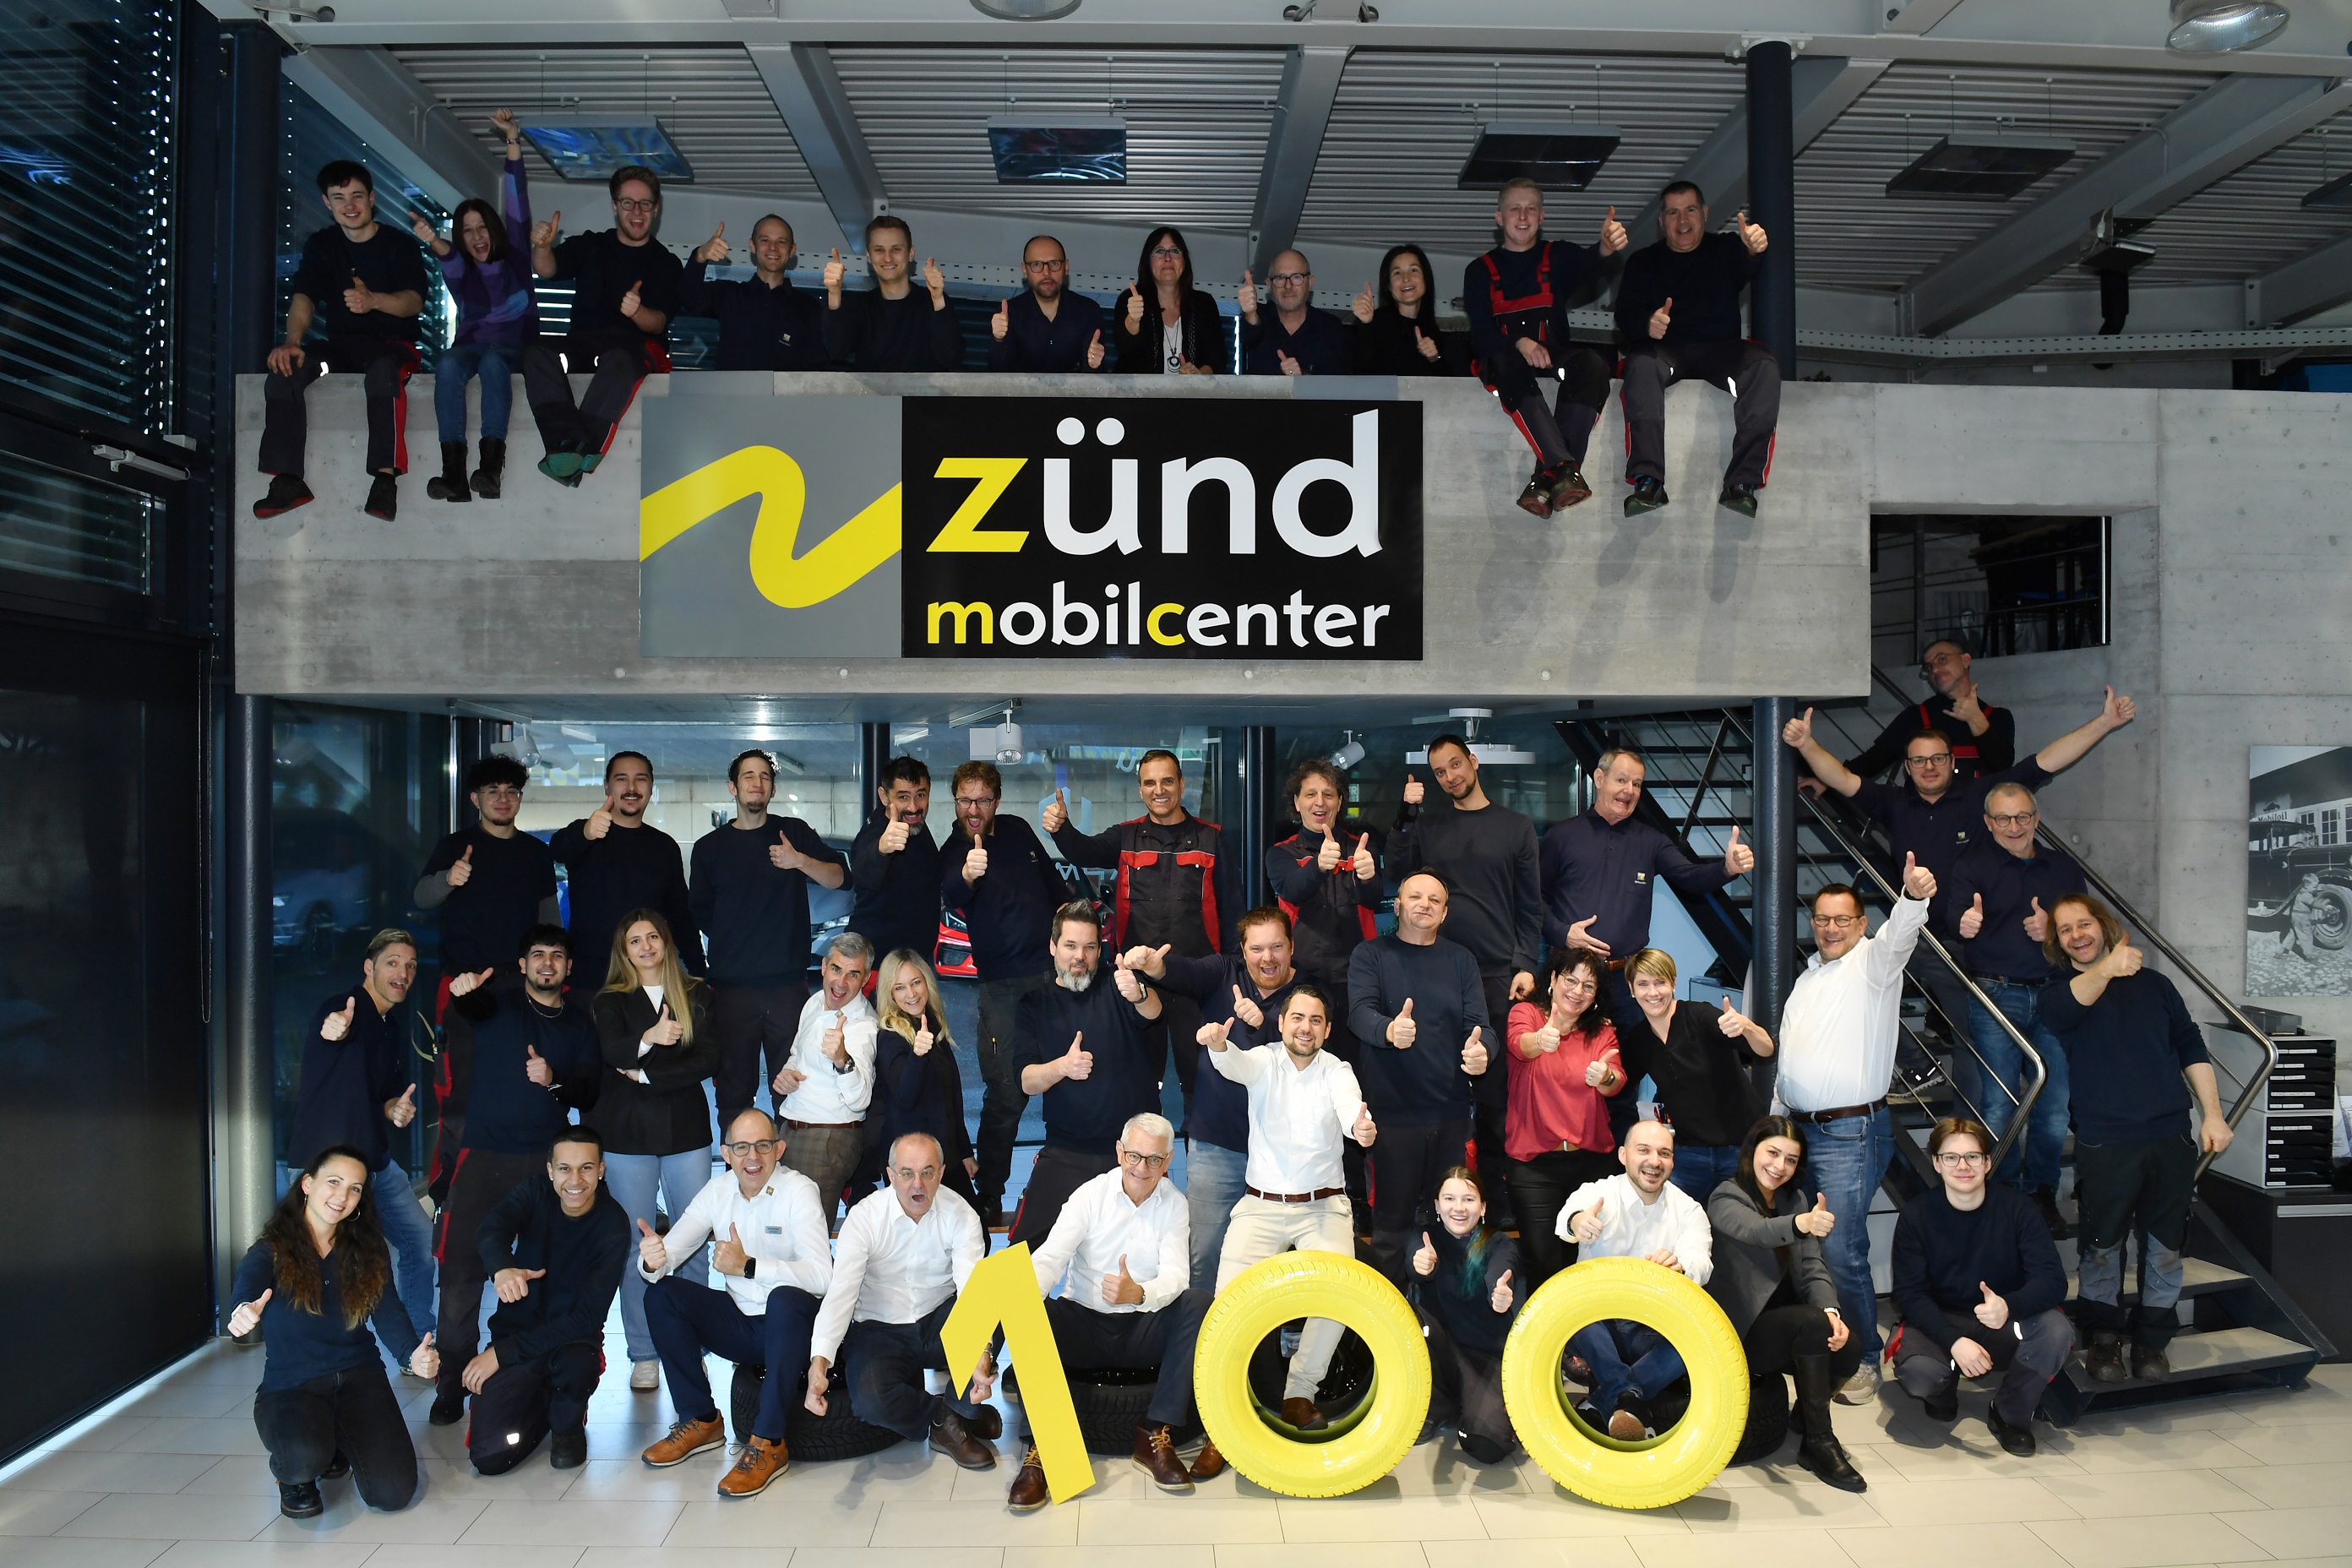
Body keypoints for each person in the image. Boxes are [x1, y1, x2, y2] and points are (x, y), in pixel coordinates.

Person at [2040, 895, 2234, 1383]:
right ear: (2058, 943)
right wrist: (2109, 967)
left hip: (2170, 1135)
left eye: (2084, 924)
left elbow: (2191, 1047)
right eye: (2065, 930)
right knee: (2102, 1247)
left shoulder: (2156, 986)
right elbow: (2073, 1004)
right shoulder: (2059, 993)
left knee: (2166, 1247)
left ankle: (2151, 1341)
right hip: (2105, 1140)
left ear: (2103, 926)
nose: (2077, 935)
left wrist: (2213, 1115)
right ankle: (2104, 1341)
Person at [1773, 855, 1939, 1406]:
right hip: (1798, 1132)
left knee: (1841, 1248)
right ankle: (1828, 1346)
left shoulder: (1874, 964)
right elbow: (1788, 1063)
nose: (1830, 928)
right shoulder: (1807, 979)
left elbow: (1900, 937)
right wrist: (1776, 1123)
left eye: (1842, 919)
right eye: (1822, 918)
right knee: (1808, 1247)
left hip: (1850, 1134)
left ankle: (1866, 1359)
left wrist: (1912, 898)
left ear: (1862, 924)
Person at [427, 927, 601, 1429]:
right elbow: (471, 1006)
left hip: (545, 1167)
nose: (547, 964)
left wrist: (554, 1080)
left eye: (557, 956)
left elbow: (588, 1091)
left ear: (569, 968)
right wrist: (463, 991)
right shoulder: (498, 1004)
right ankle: (451, 1383)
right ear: (522, 964)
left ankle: (524, 1377)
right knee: (460, 1276)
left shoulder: (578, 1023)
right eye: (538, 955)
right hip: (483, 1158)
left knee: (543, 1278)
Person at [1009, 1112, 1216, 1506]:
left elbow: (1177, 1277)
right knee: (1028, 1303)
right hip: (1085, 1325)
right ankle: (1043, 1450)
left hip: (1142, 1328)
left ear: (1168, 1161)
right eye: (1134, 1156)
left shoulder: (1175, 1204)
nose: (1142, 1168)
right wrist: (1021, 1303)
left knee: (1198, 1302)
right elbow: (1050, 1260)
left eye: (1154, 1159)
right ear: (1120, 1152)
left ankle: (1154, 1432)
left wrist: (1138, 1293)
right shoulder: (1089, 1195)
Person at [227, 1146, 439, 1519]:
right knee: (303, 1458)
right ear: (307, 1184)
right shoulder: (271, 1249)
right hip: (293, 1385)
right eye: (334, 1182)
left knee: (392, 1494)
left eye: (355, 1188)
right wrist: (242, 1310)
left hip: (359, 1377)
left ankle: (335, 1441)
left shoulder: (367, 1250)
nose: (342, 1195)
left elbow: (388, 1313)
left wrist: (412, 1355)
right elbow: (248, 1285)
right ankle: (295, 1476)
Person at [1203, 986, 1380, 1431]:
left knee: (1338, 1294)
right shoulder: (1263, 1060)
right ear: (1281, 1023)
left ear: (1327, 1029)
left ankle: (1300, 1393)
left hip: (1324, 1208)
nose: (1306, 1028)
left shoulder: (1337, 1070)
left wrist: (1360, 1129)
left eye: (1315, 1020)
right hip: (1260, 1206)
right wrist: (1219, 1045)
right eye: (1297, 1018)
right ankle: (1224, 1415)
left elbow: (1350, 1112)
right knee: (1226, 1307)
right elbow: (1234, 1064)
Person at [1782, 684, 2135, 901]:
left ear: (1952, 762)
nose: (1929, 766)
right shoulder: (1891, 803)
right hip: (1920, 937)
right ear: (1907, 767)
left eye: (1938, 758)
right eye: (1918, 760)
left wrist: (2104, 723)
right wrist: (1807, 745)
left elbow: (2044, 762)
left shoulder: (1980, 794)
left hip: (1981, 932)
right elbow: (1842, 778)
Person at [638, 1108, 832, 1497]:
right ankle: (701, 1419)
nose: (752, 1157)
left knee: (784, 1299)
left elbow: (823, 1276)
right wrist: (652, 1260)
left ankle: (769, 1443)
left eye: (763, 1146)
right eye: (741, 1147)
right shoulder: (718, 1191)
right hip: (743, 1326)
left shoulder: (800, 1191)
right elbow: (669, 1253)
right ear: (726, 1154)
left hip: (795, 1328)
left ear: (779, 1149)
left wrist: (749, 1267)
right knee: (661, 1295)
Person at [1120, 906, 1312, 1287]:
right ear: (1243, 950)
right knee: (1204, 1254)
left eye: (1277, 947)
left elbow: (1311, 1055)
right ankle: (1201, 1325)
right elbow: (1186, 972)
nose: (1267, 958)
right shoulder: (1224, 972)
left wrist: (1264, 1025)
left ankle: (1276, 1326)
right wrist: (1156, 967)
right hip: (1217, 1145)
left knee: (1281, 1262)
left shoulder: (1310, 994)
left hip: (1285, 1152)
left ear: (1291, 947)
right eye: (1256, 949)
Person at [1044, 749, 1240, 1116]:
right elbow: (1085, 851)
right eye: (1150, 783)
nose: (1159, 790)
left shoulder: (1212, 839)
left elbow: (1232, 911)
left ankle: (1198, 1150)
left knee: (1202, 1080)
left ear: (1181, 784)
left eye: (1167, 781)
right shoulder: (1126, 836)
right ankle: (1139, 1150)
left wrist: (1232, 973)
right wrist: (1061, 829)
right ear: (1140, 789)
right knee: (1139, 1081)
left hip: (1197, 980)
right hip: (1138, 985)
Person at [1387, 734, 1542, 1193]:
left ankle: (1494, 1196)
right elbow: (1396, 872)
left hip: (1497, 974)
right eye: (1440, 772)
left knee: (1495, 1092)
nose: (1450, 776)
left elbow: (1530, 905)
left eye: (1455, 764)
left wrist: (1524, 963)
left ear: (1473, 762)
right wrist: (1406, 813)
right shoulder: (1429, 826)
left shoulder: (1516, 827)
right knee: (1433, 1083)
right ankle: (1433, 1194)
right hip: (1436, 971)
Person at [286, 929, 437, 1363]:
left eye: (410, 965)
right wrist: (333, 1029)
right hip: (328, 1168)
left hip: (375, 1162)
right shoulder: (343, 1008)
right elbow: (331, 1030)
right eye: (392, 962)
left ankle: (420, 1345)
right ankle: (319, 1355)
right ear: (369, 968)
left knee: (418, 1243)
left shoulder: (391, 1027)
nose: (403, 972)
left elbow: (384, 1096)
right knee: (322, 1263)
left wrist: (395, 1110)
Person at [805, 1132, 998, 1468]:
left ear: (941, 1173)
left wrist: (980, 1354)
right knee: (870, 1402)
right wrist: (819, 1363)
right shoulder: (865, 1217)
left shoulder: (961, 1214)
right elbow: (841, 1292)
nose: (917, 1184)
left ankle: (958, 1413)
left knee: (1002, 1295)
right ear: (891, 1175)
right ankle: (948, 1418)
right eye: (907, 1173)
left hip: (939, 1320)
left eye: (927, 1172)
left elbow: (972, 1290)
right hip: (880, 1327)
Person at [253, 160, 430, 524]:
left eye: (357, 196)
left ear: (372, 198)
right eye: (339, 198)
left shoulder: (400, 245)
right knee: (287, 369)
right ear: (327, 202)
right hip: (341, 347)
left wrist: (374, 301)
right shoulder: (322, 245)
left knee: (383, 371)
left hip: (393, 346)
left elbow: (413, 302)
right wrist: (292, 341)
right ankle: (288, 480)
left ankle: (385, 480)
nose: (350, 205)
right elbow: (304, 298)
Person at [1542, 745, 1755, 1046]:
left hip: (1625, 980)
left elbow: (1690, 878)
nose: (1629, 791)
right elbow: (1532, 899)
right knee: (1561, 1060)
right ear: (1599, 778)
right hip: (1570, 976)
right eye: (1621, 780)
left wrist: (1727, 868)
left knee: (1629, 1063)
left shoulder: (1651, 841)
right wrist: (1563, 933)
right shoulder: (1562, 836)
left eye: (1637, 784)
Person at [1889, 1117, 2073, 1456]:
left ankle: (2009, 1413)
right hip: (1941, 1319)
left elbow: (2052, 1280)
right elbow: (1909, 1294)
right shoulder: (1917, 1215)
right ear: (1937, 1163)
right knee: (1920, 1375)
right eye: (1951, 1157)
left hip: (2001, 1318)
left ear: (1987, 1163)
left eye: (1973, 1156)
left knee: (2056, 1331)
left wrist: (2010, 1305)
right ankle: (1942, 1389)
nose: (1963, 1166)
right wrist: (1954, 1342)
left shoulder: (2018, 1208)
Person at [1947, 782, 2087, 1226]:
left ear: (2036, 819)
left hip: (2054, 994)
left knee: (2056, 1102)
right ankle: (2004, 1192)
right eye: (2004, 819)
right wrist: (1964, 922)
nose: (2014, 826)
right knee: (1998, 1102)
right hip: (1995, 994)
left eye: (2023, 817)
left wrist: (2054, 929)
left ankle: (2042, 1191)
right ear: (1988, 823)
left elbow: (2088, 928)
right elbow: (1952, 917)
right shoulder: (1971, 865)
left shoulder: (2062, 868)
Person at [590, 909, 717, 1391]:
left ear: (666, 942)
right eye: (634, 941)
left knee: (693, 1239)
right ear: (623, 951)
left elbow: (709, 1059)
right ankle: (644, 1353)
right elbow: (611, 1051)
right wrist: (649, 1037)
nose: (645, 947)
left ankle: (693, 1348)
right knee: (634, 1245)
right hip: (627, 1136)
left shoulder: (696, 992)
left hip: (687, 1131)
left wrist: (646, 1075)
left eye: (652, 938)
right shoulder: (610, 999)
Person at [939, 760, 1071, 1225]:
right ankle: (990, 1195)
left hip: (1053, 978)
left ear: (996, 801)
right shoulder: (953, 849)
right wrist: (969, 873)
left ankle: (1074, 1186)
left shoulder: (1016, 829)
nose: (973, 810)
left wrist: (1078, 924)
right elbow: (953, 894)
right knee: (1006, 1092)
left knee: (1070, 1077)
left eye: (982, 800)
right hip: (1001, 988)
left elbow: (1054, 887)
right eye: (964, 800)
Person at [1705, 1116, 1865, 1491]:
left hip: (1788, 1323)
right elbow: (1757, 1231)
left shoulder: (1795, 1200)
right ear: (1752, 1151)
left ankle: (1806, 1417)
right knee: (1811, 1325)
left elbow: (1812, 1268)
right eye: (1773, 1153)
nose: (1780, 1166)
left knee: (1849, 1347)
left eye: (1791, 1160)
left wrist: (1831, 1312)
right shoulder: (1725, 1197)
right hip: (1740, 1332)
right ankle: (1819, 1441)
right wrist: (1801, 1224)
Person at [690, 748, 847, 1127]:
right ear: (733, 787)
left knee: (793, 1088)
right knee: (733, 1092)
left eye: (764, 777)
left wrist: (799, 861)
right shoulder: (709, 848)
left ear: (773, 789)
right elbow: (700, 913)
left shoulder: (792, 832)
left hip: (787, 988)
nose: (757, 783)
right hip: (732, 990)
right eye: (748, 776)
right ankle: (738, 1161)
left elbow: (841, 879)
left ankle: (789, 1163)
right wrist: (738, 939)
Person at [1347, 871, 1492, 1280]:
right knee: (1391, 1232)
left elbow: (1481, 1027)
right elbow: (1359, 1014)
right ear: (1397, 905)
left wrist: (1482, 1052)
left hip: (1450, 1116)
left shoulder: (1462, 960)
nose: (1424, 904)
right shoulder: (1370, 954)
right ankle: (1389, 1316)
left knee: (1455, 1227)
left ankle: (1449, 1315)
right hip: (1391, 1120)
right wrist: (1389, 1030)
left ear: (1444, 913)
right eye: (1414, 897)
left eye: (1434, 900)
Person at [464, 1127, 630, 1474]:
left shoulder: (613, 1223)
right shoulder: (534, 1192)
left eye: (586, 1168)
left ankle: (567, 1424)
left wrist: (501, 1354)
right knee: (489, 1458)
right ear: (550, 1170)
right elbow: (491, 1229)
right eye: (565, 1168)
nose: (575, 1180)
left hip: (571, 1341)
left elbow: (586, 1318)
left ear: (601, 1170)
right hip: (519, 1332)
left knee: (577, 1366)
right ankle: (543, 1402)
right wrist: (502, 1268)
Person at [1464, 177, 1628, 516]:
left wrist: (1606, 247)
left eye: (1531, 209)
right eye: (1515, 209)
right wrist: (1519, 343)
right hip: (1505, 365)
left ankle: (1545, 480)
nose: (1523, 216)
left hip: (1555, 358)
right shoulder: (1479, 271)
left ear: (1542, 216)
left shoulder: (1558, 256)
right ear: (1499, 217)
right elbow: (1480, 334)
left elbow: (1590, 264)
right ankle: (1563, 465)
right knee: (1505, 360)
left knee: (1592, 363)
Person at [1613, 180, 1775, 517]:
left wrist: (1753, 248)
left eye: (1690, 210)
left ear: (1704, 213)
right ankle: (1648, 481)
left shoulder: (1726, 248)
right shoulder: (1643, 262)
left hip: (1722, 352)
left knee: (1763, 365)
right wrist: (1647, 323)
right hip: (1665, 352)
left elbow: (1747, 261)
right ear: (1662, 221)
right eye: (1673, 213)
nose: (1682, 220)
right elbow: (1625, 316)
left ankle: (1742, 484)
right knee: (1640, 365)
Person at [1010, 901, 1164, 1246]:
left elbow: (1153, 1013)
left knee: (1142, 1251)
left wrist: (1139, 994)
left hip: (1132, 1153)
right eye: (1071, 946)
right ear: (1053, 947)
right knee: (1020, 1254)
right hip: (1066, 1150)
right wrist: (1063, 1067)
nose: (1080, 956)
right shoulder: (1033, 1004)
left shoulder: (1118, 983)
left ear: (1099, 950)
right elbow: (1026, 1080)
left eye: (1090, 947)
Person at [524, 164, 683, 483]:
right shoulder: (590, 245)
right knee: (537, 353)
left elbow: (658, 323)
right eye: (628, 203)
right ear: (614, 206)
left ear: (656, 209)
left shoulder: (666, 263)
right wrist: (541, 247)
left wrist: (636, 312)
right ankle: (567, 445)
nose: (636, 212)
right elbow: (547, 269)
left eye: (645, 204)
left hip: (633, 349)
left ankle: (575, 452)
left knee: (619, 359)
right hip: (585, 344)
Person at [1560, 1120, 1715, 1439]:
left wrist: (1681, 1267)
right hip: (1596, 1326)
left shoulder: (1689, 1209)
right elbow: (1569, 1215)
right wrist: (1578, 1222)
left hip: (1650, 1327)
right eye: (1643, 1150)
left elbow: (1701, 1260)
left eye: (1664, 1153)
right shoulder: (1599, 1192)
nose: (1654, 1161)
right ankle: (1627, 1398)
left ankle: (1606, 1403)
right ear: (1623, 1155)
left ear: (1672, 1161)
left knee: (1697, 1342)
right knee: (1575, 1304)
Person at [412, 108, 537, 503]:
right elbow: (446, 255)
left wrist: (512, 139)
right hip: (471, 346)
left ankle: (490, 469)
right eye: (467, 231)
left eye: (482, 226)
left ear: (494, 229)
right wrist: (433, 239)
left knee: (493, 363)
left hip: (513, 347)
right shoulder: (461, 271)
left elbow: (516, 200)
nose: (477, 236)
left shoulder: (516, 257)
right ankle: (453, 473)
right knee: (449, 363)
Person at [1505, 947, 1626, 1283]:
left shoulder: (1602, 1032)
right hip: (1534, 1167)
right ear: (1554, 979)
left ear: (1596, 995)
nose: (1577, 991)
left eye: (1588, 986)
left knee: (1589, 1265)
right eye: (1571, 980)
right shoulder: (1527, 1013)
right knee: (1543, 1266)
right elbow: (1519, 1044)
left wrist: (1605, 1077)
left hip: (1592, 1164)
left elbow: (1616, 1081)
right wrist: (1541, 1039)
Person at [415, 754, 561, 1022]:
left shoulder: (537, 853)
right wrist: (447, 879)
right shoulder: (454, 846)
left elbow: (550, 919)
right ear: (475, 799)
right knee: (458, 1049)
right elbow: (421, 897)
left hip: (521, 980)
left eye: (511, 791)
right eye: (493, 791)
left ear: (520, 798)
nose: (503, 799)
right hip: (462, 980)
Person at [1621, 947, 1772, 1200]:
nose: (1653, 992)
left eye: (1660, 982)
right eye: (1643, 984)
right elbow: (1620, 1084)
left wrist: (1746, 1027)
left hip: (1740, 1149)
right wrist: (1603, 1075)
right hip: (1688, 1155)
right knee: (1673, 1221)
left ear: (1673, 983)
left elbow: (1766, 1049)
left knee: (1743, 1223)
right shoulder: (1639, 1039)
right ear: (1631, 989)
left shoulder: (1701, 1016)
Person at [1407, 1167, 1522, 1464]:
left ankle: (1467, 1406)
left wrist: (1500, 1293)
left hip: (1484, 1358)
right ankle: (1437, 1406)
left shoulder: (1499, 1243)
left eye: (1468, 1200)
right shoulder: (1424, 1238)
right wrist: (1420, 1264)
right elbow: (1415, 1261)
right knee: (1412, 1319)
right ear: (1437, 1206)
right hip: (1439, 1350)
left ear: (1482, 1207)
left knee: (1489, 1446)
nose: (1458, 1208)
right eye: (1449, 1199)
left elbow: (1500, 1273)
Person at [552, 751, 703, 975]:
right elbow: (557, 849)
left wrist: (698, 970)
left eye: (640, 779)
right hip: (589, 978)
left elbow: (680, 915)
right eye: (621, 779)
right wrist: (586, 832)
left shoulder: (664, 846)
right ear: (607, 786)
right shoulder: (587, 833)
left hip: (648, 976)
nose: (631, 788)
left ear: (651, 787)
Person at [770, 932, 880, 1214]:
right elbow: (796, 1055)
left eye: (853, 974)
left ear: (865, 979)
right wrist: (787, 1075)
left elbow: (860, 1101)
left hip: (827, 1139)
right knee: (780, 1225)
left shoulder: (864, 1026)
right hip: (791, 1129)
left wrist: (843, 1060)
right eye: (836, 969)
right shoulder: (815, 1002)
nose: (841, 983)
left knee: (807, 1232)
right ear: (823, 967)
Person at [873, 949, 978, 1205]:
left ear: (927, 981)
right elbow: (905, 1097)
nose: (911, 993)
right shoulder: (889, 1036)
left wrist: (964, 1151)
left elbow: (951, 1098)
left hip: (945, 1156)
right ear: (890, 993)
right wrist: (917, 1055)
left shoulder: (932, 1024)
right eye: (899, 988)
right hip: (912, 1166)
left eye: (916, 982)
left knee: (972, 1224)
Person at [1838, 640, 2016, 784]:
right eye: (1929, 667)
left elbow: (2001, 766)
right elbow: (1870, 763)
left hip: (1978, 816)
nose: (1935, 670)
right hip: (1926, 816)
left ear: (1966, 660)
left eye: (1942, 659)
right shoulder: (1915, 717)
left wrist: (1975, 719)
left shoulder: (1998, 717)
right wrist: (1830, 779)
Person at [681, 213, 829, 371]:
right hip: (731, 388)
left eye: (781, 242)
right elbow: (689, 298)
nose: (773, 248)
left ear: (792, 250)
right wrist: (700, 256)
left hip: (786, 388)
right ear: (752, 245)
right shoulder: (730, 295)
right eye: (765, 240)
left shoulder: (808, 307)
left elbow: (818, 368)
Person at [820, 216, 961, 371]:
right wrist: (834, 294)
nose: (888, 258)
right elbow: (837, 351)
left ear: (911, 253)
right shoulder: (860, 306)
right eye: (879, 250)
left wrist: (938, 299)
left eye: (896, 249)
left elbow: (950, 358)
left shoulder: (933, 302)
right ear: (869, 256)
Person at [850, 755, 942, 972]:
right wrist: (881, 848)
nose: (913, 806)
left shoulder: (916, 824)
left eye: (920, 795)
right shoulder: (875, 832)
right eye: (903, 797)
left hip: (912, 961)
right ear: (884, 796)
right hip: (879, 966)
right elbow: (862, 872)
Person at [988, 234, 1107, 373]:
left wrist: (1094, 365)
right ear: (1025, 270)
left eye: (1054, 264)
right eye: (1037, 265)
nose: (1046, 273)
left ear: (1066, 267)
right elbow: (998, 373)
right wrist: (999, 340)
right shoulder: (1009, 313)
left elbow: (1095, 374)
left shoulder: (1088, 311)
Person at [1114, 226, 1223, 374]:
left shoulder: (1204, 304)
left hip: (1193, 390)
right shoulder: (1131, 300)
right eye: (1159, 251)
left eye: (1175, 251)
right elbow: (1126, 350)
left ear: (1184, 262)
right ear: (1148, 262)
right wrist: (1133, 320)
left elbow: (1217, 359)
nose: (1167, 258)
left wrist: (1198, 376)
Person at [1348, 243, 1466, 377]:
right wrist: (1366, 325)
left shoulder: (1432, 331)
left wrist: (1434, 358)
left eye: (1414, 270)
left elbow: (1444, 384)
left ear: (1425, 279)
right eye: (1397, 273)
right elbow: (1362, 371)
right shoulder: (1378, 322)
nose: (1406, 278)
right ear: (1389, 286)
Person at [1239, 249, 1350, 375]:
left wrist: (1302, 378)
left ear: (1310, 282)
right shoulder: (1259, 316)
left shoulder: (1331, 328)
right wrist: (1250, 314)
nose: (1288, 286)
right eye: (1280, 278)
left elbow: (1338, 384)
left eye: (1297, 277)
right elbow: (1250, 332)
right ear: (1269, 285)